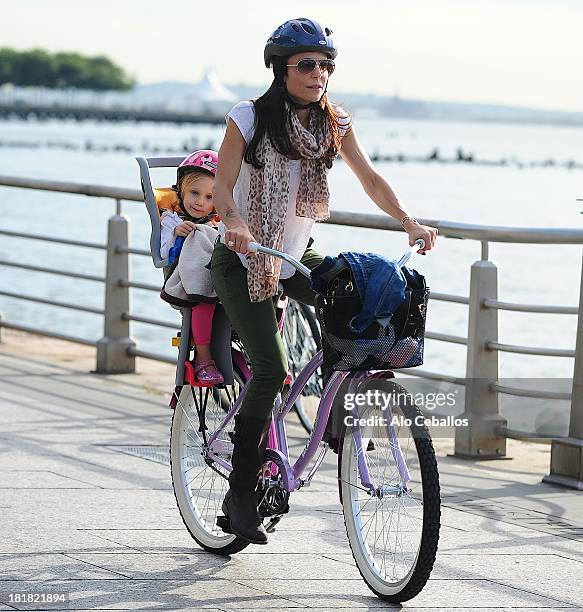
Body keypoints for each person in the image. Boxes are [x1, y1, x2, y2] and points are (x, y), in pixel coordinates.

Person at [211, 18, 438, 544]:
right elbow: (222, 188)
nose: (319, 74)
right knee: (270, 372)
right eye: (307, 64)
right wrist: (237, 223)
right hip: (242, 257)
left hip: (294, 254)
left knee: (361, 309)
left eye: (326, 65)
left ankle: (336, 417)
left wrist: (408, 220)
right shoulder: (248, 118)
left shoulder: (334, 121)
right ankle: (240, 494)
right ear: (281, 68)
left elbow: (371, 178)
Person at [160, 150, 224, 385]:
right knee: (203, 304)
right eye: (194, 194)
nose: (200, 202)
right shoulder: (172, 220)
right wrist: (176, 235)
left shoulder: (218, 223)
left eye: (209, 197)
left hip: (218, 277)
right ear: (181, 192)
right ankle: (203, 359)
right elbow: (163, 254)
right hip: (188, 283)